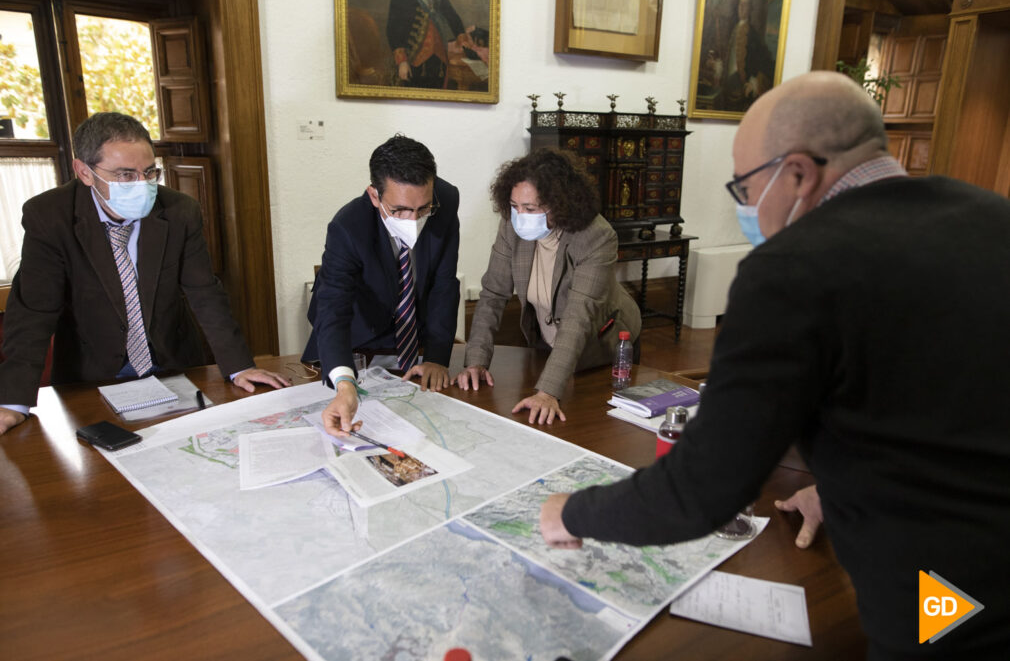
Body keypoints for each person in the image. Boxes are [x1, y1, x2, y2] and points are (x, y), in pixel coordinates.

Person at [540, 71, 1010, 659]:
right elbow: (930, 396)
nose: (747, 211)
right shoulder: (991, 215)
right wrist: (840, 484)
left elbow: (705, 489)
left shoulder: (795, 267)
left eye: (744, 190)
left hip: (946, 598)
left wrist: (573, 512)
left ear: (796, 174)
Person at [0, 112, 290, 436]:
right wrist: (13, 403)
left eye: (150, 171)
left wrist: (239, 367)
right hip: (90, 375)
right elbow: (33, 311)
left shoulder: (180, 211)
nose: (142, 184)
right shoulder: (49, 217)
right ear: (84, 171)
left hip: (172, 366)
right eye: (125, 175)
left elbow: (205, 293)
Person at [456, 148, 641, 425]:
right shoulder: (512, 225)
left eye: (530, 209)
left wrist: (548, 391)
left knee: (590, 424)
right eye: (514, 205)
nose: (519, 215)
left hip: (603, 342)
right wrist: (476, 361)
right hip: (546, 339)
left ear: (560, 203)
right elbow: (493, 294)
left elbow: (579, 318)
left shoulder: (596, 237)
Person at [302, 135, 460, 437]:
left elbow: (444, 282)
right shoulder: (348, 227)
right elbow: (333, 307)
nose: (413, 220)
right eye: (400, 210)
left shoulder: (446, 199)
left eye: (423, 209)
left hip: (414, 337)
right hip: (358, 337)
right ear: (374, 196)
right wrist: (345, 383)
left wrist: (437, 358)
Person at [386, 0, 475, 89]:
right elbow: (393, 26)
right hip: (413, 56)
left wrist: (461, 36)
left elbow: (450, 13)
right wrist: (402, 61)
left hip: (439, 57)